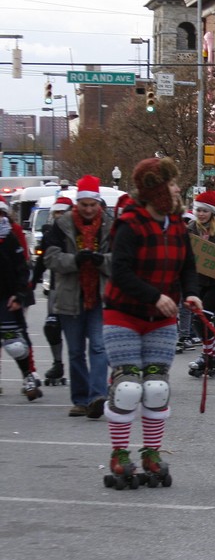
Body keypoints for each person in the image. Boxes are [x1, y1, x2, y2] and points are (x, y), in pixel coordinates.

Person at [100, 157, 202, 488]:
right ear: (155, 189)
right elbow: (121, 272)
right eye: (170, 184)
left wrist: (193, 293)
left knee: (157, 387)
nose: (176, 189)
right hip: (124, 314)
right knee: (129, 386)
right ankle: (119, 453)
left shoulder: (176, 225)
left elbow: (188, 265)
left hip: (161, 318)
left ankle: (151, 453)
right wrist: (154, 296)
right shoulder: (129, 224)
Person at [44, 175, 111, 418]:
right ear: (77, 204)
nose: (89, 210)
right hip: (71, 297)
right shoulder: (61, 226)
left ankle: (97, 396)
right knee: (74, 352)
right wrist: (74, 260)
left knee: (99, 347)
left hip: (100, 297)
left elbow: (122, 260)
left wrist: (100, 260)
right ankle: (80, 399)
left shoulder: (110, 225)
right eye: (84, 205)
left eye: (93, 205)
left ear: (98, 204)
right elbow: (50, 258)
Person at [185, 190, 215, 378]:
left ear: (212, 212)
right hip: (197, 282)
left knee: (202, 316)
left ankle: (208, 356)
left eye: (205, 211)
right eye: (198, 210)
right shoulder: (190, 229)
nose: (201, 214)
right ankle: (210, 356)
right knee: (199, 316)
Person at [31, 195, 74, 386]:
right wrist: (31, 283)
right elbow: (42, 261)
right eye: (56, 212)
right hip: (57, 286)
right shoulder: (50, 234)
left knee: (81, 332)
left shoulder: (78, 231)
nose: (59, 216)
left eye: (62, 213)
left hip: (79, 287)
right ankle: (58, 363)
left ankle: (83, 366)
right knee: (52, 326)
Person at [0, 201, 38, 400]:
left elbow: (24, 270)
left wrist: (20, 295)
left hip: (7, 297)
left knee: (14, 343)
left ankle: (28, 377)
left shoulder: (10, 238)